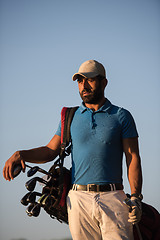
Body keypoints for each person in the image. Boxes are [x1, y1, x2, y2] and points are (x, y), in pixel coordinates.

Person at [3, 60, 143, 240]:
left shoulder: (121, 116)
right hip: (78, 199)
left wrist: (136, 197)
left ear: (104, 82)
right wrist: (20, 154)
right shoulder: (70, 116)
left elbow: (133, 158)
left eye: (90, 80)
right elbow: (49, 151)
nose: (84, 86)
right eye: (79, 81)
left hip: (114, 197)